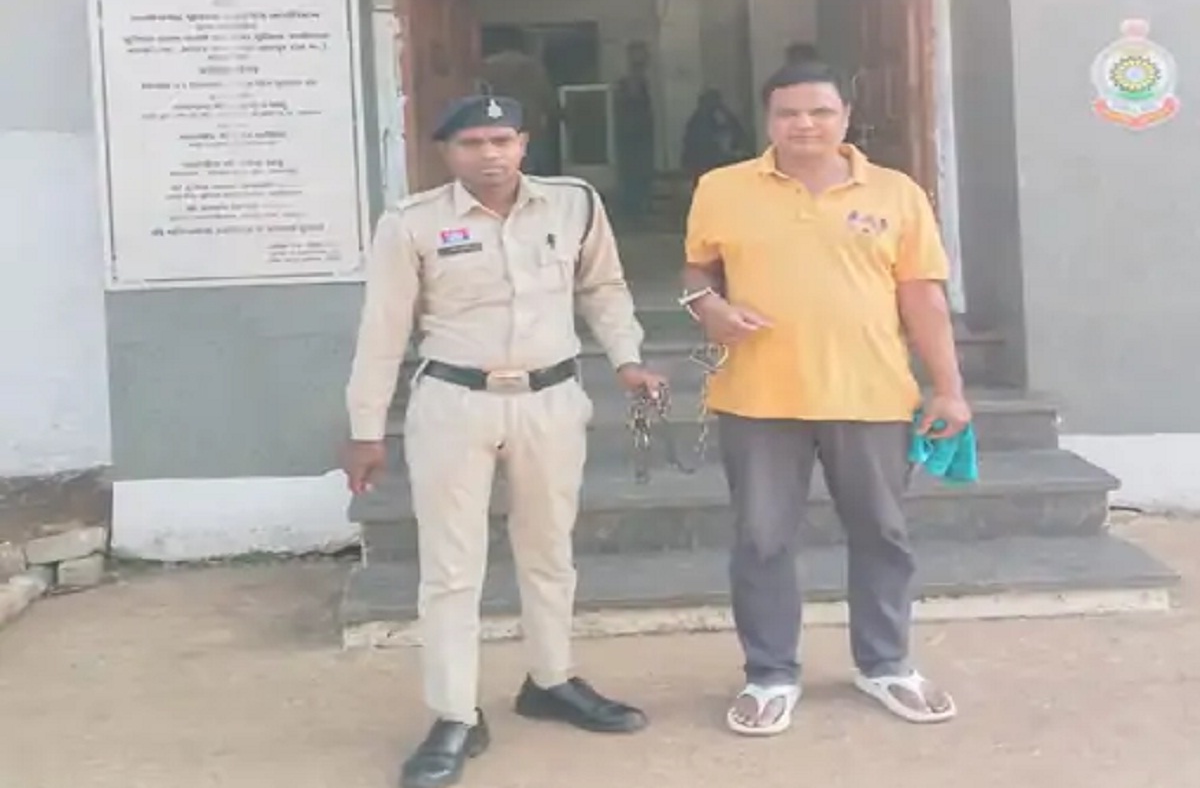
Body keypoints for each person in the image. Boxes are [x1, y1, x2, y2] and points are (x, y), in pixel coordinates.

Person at [343, 94, 666, 788]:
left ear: (524, 142)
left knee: (549, 551)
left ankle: (551, 679)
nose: (489, 155)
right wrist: (366, 429)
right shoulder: (412, 223)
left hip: (550, 399)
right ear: (447, 153)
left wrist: (628, 359)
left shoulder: (573, 205)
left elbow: (604, 288)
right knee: (451, 568)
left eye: (501, 140)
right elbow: (383, 329)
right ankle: (455, 714)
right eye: (472, 144)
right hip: (455, 403)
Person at [680, 60, 971, 736]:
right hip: (757, 396)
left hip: (871, 393)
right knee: (761, 540)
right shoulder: (722, 188)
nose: (804, 125)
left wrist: (950, 389)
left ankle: (886, 663)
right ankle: (770, 674)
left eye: (820, 112)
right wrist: (708, 307)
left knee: (882, 534)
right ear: (768, 119)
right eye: (788, 113)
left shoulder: (897, 193)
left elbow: (923, 296)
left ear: (846, 117)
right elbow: (697, 270)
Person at [481, 26, 560, 176]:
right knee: (530, 163)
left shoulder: (487, 66)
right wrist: (557, 113)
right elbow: (545, 93)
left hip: (497, 121)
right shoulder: (530, 67)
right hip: (529, 121)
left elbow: (480, 93)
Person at [614, 41, 656, 221]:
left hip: (639, 133)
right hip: (633, 135)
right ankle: (633, 209)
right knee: (634, 172)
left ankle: (637, 207)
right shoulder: (630, 82)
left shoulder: (640, 81)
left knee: (640, 172)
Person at [681, 88, 751, 187]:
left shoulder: (720, 117)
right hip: (705, 165)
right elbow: (699, 146)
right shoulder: (698, 121)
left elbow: (737, 133)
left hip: (719, 166)